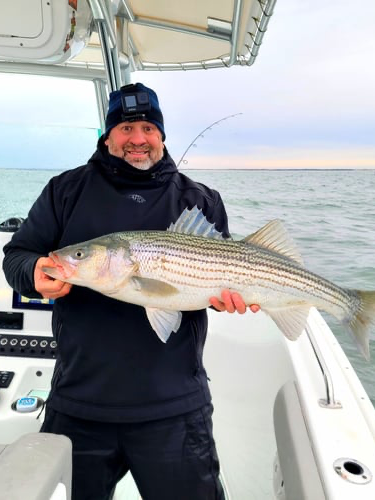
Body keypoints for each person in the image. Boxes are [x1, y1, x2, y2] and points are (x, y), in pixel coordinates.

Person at [2, 83, 258, 500]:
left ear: (161, 135)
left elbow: (221, 272)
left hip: (174, 405)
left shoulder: (200, 199)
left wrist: (229, 296)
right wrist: (34, 271)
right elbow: (17, 256)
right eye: (125, 128)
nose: (137, 139)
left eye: (147, 128)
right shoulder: (65, 191)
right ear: (107, 136)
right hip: (80, 401)